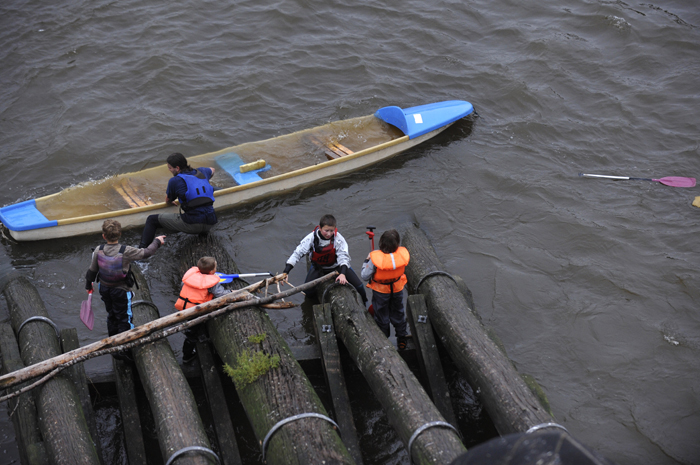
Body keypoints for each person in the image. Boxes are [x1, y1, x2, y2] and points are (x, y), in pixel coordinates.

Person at [85, 220, 165, 359]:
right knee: (124, 318)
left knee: (111, 314)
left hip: (104, 288)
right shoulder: (126, 251)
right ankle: (125, 349)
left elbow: (92, 270)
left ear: (104, 236)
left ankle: (113, 343)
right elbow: (147, 252)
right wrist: (157, 241)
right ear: (119, 234)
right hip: (120, 290)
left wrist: (88, 285)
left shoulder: (99, 249)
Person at [282, 214, 367, 304]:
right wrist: (286, 271)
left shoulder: (338, 239)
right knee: (308, 292)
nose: (329, 234)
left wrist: (342, 274)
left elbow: (343, 257)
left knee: (360, 286)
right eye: (326, 230)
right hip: (318, 268)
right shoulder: (311, 238)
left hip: (336, 267)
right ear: (320, 228)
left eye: (331, 231)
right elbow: (297, 253)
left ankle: (365, 304)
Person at [139, 152, 217, 248]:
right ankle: (203, 236)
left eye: (170, 168)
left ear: (177, 168)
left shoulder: (175, 181)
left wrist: (170, 201)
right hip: (211, 221)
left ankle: (141, 252)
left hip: (193, 224)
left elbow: (168, 200)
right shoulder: (202, 171)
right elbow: (212, 170)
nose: (169, 170)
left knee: (151, 219)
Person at [361, 229, 411, 349]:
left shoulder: (374, 259)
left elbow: (364, 276)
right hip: (397, 290)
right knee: (398, 313)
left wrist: (367, 260)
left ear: (380, 243)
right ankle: (402, 338)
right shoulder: (401, 256)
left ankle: (384, 338)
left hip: (381, 292)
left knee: (381, 315)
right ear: (397, 244)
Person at [175, 256, 231, 363]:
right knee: (191, 333)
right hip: (197, 310)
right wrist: (232, 292)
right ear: (212, 271)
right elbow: (221, 294)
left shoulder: (190, 277)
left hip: (184, 307)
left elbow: (184, 286)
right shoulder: (212, 283)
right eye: (216, 266)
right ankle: (187, 357)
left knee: (192, 325)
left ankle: (198, 334)